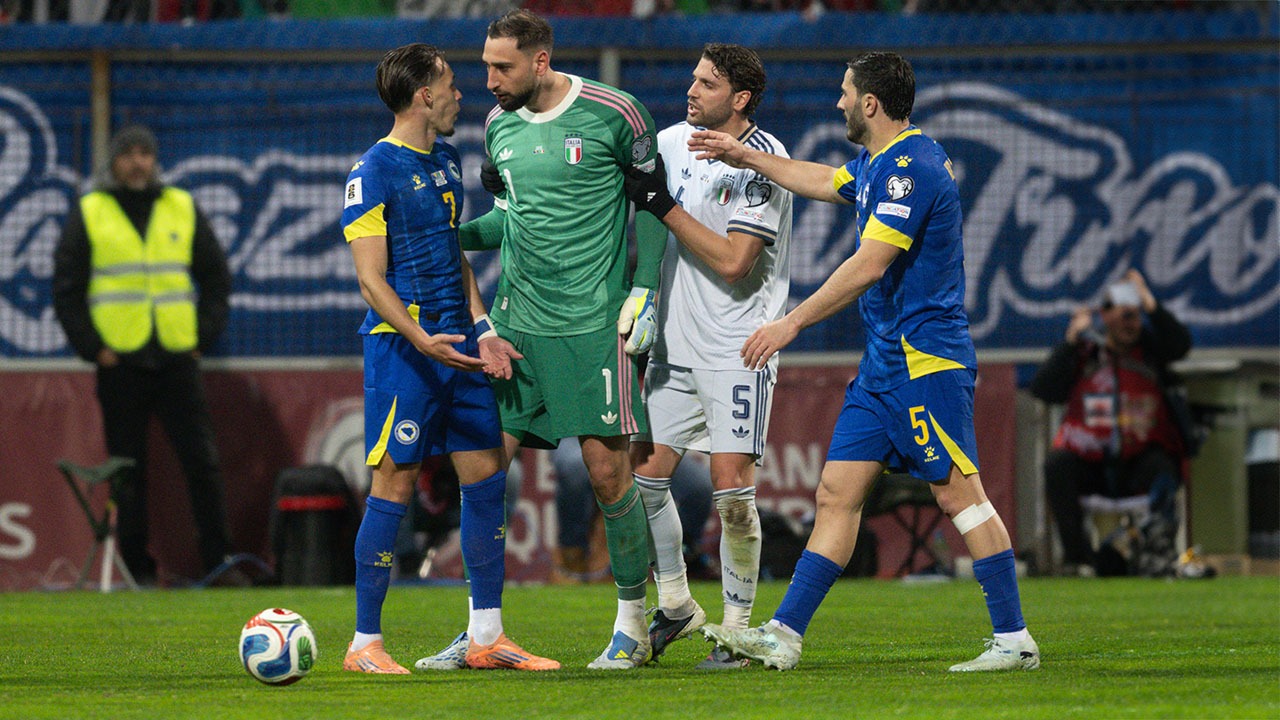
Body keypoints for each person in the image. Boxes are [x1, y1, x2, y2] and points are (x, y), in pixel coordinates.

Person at [685, 51, 1039, 672]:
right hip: (881, 370)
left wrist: (791, 321)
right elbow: (824, 180)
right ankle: (785, 634)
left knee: (961, 498)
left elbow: (870, 264)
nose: (839, 102)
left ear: (870, 102)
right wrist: (744, 156)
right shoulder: (878, 163)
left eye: (846, 93)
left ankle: (1014, 639)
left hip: (926, 361)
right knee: (835, 495)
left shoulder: (913, 168)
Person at [415, 9, 665, 671]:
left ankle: (636, 625)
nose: (489, 80)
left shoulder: (617, 113)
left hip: (592, 326)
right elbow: (510, 219)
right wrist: (444, 235)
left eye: (503, 67)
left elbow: (654, 202)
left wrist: (646, 291)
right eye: (486, 65)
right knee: (480, 468)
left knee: (609, 475)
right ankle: (482, 631)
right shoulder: (498, 129)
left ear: (541, 61)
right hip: (516, 324)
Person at [339, 43, 557, 674]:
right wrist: (417, 337)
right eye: (452, 85)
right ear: (423, 96)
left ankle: (486, 636)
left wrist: (482, 327)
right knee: (395, 484)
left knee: (487, 475)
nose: (464, 93)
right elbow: (370, 280)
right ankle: (364, 645)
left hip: (458, 346)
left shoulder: (447, 157)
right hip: (403, 351)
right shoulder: (372, 170)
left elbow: (452, 254)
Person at [622, 43, 793, 669]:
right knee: (645, 475)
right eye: (692, 78)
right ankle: (675, 603)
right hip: (670, 345)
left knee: (729, 491)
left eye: (707, 84)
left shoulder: (762, 162)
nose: (691, 90)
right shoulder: (670, 143)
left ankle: (738, 630)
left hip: (738, 348)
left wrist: (660, 205)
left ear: (740, 98)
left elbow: (733, 261)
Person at [53, 124, 235, 587]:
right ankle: (137, 572)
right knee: (126, 471)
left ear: (155, 161)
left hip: (177, 357)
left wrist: (203, 337)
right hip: (121, 362)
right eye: (128, 154)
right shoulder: (90, 210)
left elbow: (216, 278)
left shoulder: (181, 205)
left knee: (203, 463)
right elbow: (66, 289)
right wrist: (94, 349)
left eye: (145, 154)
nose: (138, 161)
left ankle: (220, 564)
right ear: (113, 162)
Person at [1029, 269, 1192, 576]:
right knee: (1057, 465)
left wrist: (1149, 301)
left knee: (1165, 465)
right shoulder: (1085, 353)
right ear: (1105, 316)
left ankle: (1158, 552)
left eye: (1135, 316)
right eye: (1123, 315)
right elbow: (1044, 389)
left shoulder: (1152, 352)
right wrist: (1070, 342)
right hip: (1091, 464)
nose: (1130, 323)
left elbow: (1180, 344)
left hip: (1138, 462)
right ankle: (1079, 561)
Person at [552, 436, 716, 584]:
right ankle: (572, 555)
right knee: (575, 470)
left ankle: (684, 555)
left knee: (699, 487)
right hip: (579, 433)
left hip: (643, 435)